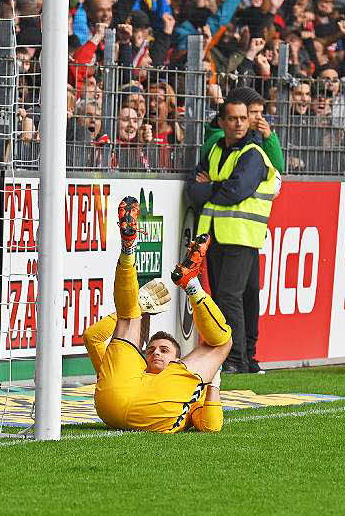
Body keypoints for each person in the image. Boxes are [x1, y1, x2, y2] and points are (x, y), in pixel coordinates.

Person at [85, 197, 231, 433]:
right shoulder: (139, 369)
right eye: (151, 349)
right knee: (222, 344)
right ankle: (139, 253)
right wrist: (139, 308)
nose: (155, 354)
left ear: (178, 360)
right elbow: (93, 336)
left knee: (127, 316)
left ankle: (130, 250)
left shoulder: (182, 379)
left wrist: (213, 382)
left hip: (119, 404)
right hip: (128, 398)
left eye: (164, 350)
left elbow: (210, 425)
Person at [186, 89, 277, 373]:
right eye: (233, 118)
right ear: (222, 121)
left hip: (241, 235)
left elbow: (235, 191)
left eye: (243, 118)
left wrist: (210, 185)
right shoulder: (215, 150)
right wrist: (214, 186)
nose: (239, 123)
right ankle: (247, 358)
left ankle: (235, 359)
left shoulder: (253, 154)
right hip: (217, 234)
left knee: (228, 295)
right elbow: (194, 189)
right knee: (243, 295)